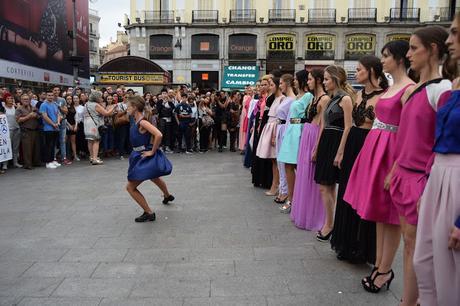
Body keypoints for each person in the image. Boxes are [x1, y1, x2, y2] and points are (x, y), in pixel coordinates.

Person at [344, 40, 415, 293]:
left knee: (391, 215)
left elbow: (410, 132)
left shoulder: (409, 89)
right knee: (377, 212)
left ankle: (385, 269)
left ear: (398, 58)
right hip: (375, 150)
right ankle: (380, 264)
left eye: (386, 56)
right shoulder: (393, 86)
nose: (382, 60)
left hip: (390, 153)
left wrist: (397, 166)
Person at [388, 26, 452, 302]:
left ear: (434, 49)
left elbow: (444, 141)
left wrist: (428, 186)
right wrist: (394, 170)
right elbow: (405, 136)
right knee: (409, 244)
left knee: (416, 247)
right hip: (404, 175)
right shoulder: (413, 91)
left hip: (421, 179)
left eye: (415, 48)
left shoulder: (443, 89)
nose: (409, 54)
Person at [413, 16, 460, 306]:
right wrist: (429, 185)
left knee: (450, 271)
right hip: (439, 176)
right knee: (425, 261)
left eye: (454, 33)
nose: (449, 40)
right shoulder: (454, 83)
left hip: (456, 177)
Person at [330, 55, 387, 264]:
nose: (356, 73)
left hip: (369, 143)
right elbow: (349, 126)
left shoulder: (384, 96)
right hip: (353, 141)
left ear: (372, 71)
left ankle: (362, 248)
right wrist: (341, 151)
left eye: (360, 69)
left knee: (365, 193)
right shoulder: (357, 95)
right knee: (347, 191)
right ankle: (346, 244)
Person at [314, 65, 355, 242]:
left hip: (336, 141)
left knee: (328, 186)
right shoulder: (330, 99)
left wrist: (340, 152)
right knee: (325, 186)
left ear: (336, 79)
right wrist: (316, 147)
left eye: (327, 79)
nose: (324, 82)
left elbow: (348, 127)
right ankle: (330, 223)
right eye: (323, 79)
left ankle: (330, 225)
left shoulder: (345, 99)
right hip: (326, 142)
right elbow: (323, 125)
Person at [125, 95, 174, 222]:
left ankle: (149, 213)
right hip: (138, 155)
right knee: (154, 177)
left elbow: (158, 134)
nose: (126, 109)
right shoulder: (138, 121)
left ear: (135, 107)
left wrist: (152, 152)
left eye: (128, 106)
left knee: (130, 187)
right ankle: (167, 196)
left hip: (143, 156)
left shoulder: (142, 122)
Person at [290, 69, 329, 230]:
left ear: (318, 80)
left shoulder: (325, 99)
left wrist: (317, 147)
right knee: (304, 174)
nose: (308, 82)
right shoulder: (313, 98)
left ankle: (316, 217)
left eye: (311, 79)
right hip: (307, 134)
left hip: (314, 136)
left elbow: (323, 125)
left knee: (311, 176)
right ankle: (304, 213)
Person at [277, 70, 313, 213]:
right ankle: (292, 199)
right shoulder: (298, 96)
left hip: (299, 131)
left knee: (295, 166)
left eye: (297, 79)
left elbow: (308, 117)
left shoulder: (309, 96)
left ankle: (296, 200)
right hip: (291, 130)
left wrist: (295, 122)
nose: (295, 81)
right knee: (287, 165)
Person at [256, 77, 285, 196]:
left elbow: (281, 117)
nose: (270, 87)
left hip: (275, 127)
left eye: (272, 85)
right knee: (273, 159)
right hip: (270, 126)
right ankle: (275, 185)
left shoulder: (282, 99)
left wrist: (274, 134)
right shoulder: (274, 98)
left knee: (276, 159)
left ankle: (276, 185)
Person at [274, 74, 296, 204]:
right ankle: (283, 189)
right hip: (279, 128)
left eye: (281, 83)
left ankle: (285, 191)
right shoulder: (286, 99)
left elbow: (293, 118)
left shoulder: (293, 100)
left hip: (286, 129)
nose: (280, 85)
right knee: (279, 161)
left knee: (284, 162)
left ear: (287, 83)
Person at [83, 91, 117, 165]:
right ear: (96, 97)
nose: (101, 98)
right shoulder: (95, 105)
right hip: (94, 124)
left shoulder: (86, 104)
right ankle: (95, 159)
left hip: (86, 124)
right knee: (96, 140)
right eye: (100, 97)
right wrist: (113, 107)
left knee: (90, 141)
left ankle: (91, 157)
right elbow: (106, 113)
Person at [251, 76, 272, 188]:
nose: (263, 87)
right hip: (260, 123)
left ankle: (265, 180)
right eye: (261, 85)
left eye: (265, 84)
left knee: (264, 151)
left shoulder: (270, 97)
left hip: (265, 124)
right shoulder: (263, 97)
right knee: (258, 150)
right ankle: (259, 178)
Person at [16, 93, 41, 169]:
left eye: (27, 99)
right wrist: (28, 116)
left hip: (35, 130)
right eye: (24, 99)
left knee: (36, 148)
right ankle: (28, 164)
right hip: (26, 131)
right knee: (27, 149)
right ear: (21, 100)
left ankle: (36, 162)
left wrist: (37, 115)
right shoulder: (19, 109)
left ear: (30, 100)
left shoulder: (33, 107)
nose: (26, 100)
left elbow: (40, 116)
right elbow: (18, 120)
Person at [39, 90, 61, 169]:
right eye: (48, 95)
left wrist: (58, 122)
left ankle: (52, 160)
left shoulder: (55, 104)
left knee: (53, 145)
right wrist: (53, 124)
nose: (50, 97)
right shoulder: (43, 105)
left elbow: (58, 114)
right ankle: (48, 162)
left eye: (51, 95)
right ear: (46, 96)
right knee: (48, 145)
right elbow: (44, 116)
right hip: (48, 128)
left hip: (56, 128)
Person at [2, 92, 21, 169]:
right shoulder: (3, 107)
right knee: (7, 147)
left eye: (11, 98)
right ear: (5, 100)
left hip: (16, 128)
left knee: (15, 147)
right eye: (8, 98)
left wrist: (17, 107)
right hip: (7, 130)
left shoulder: (15, 107)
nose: (10, 100)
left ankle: (15, 162)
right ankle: (5, 164)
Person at [53, 86, 71, 165]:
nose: (56, 92)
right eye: (55, 90)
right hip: (53, 123)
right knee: (53, 141)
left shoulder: (62, 100)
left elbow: (66, 111)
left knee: (62, 140)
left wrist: (59, 107)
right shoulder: (49, 100)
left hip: (63, 122)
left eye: (58, 90)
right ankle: (53, 158)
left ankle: (64, 158)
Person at [114, 93, 131, 160]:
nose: (127, 98)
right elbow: (118, 114)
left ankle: (129, 152)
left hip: (129, 122)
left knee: (129, 138)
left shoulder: (130, 104)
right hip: (122, 123)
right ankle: (121, 154)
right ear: (123, 97)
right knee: (122, 138)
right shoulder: (119, 104)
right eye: (125, 97)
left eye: (128, 97)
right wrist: (125, 111)